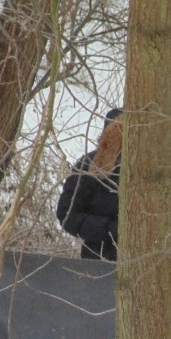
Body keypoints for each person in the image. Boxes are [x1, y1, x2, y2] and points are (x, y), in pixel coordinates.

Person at [57, 108, 122, 260]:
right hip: (100, 260)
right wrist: (110, 229)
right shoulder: (89, 166)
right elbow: (67, 214)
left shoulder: (155, 168)